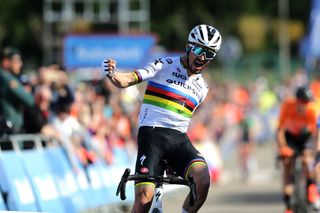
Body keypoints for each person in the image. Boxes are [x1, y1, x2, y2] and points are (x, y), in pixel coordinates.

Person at [101, 24, 222, 213]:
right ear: (189, 47)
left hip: (178, 140)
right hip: (152, 135)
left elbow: (183, 121)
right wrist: (112, 73)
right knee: (143, 200)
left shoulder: (203, 88)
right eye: (199, 50)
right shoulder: (164, 65)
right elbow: (129, 79)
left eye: (209, 54)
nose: (202, 57)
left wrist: (174, 161)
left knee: (203, 180)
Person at [276, 86, 318, 213]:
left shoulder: (312, 111)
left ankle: (311, 189)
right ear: (297, 101)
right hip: (290, 136)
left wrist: (315, 151)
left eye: (307, 103)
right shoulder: (287, 106)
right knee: (287, 163)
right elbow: (280, 130)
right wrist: (283, 147)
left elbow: (316, 134)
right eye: (303, 102)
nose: (305, 105)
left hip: (306, 136)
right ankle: (288, 204)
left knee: (307, 160)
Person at [0, 47, 34, 135]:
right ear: (6, 62)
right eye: (16, 61)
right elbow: (30, 100)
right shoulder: (6, 78)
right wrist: (24, 90)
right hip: (9, 129)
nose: (20, 64)